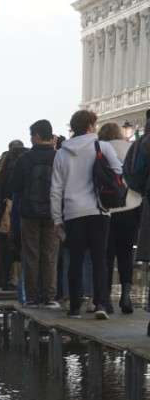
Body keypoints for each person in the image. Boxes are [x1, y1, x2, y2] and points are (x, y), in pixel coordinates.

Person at [52, 109, 121, 319]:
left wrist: (56, 219)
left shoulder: (62, 153)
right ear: (90, 126)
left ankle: (74, 307)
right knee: (99, 259)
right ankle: (100, 304)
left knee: (75, 260)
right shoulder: (102, 146)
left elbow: (56, 189)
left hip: (73, 212)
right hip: (98, 210)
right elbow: (118, 171)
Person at [10, 120, 61, 308]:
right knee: (50, 255)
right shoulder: (58, 157)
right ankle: (49, 296)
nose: (30, 139)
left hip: (29, 212)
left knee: (31, 254)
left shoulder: (25, 159)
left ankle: (32, 297)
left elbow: (15, 186)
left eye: (32, 135)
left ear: (37, 136)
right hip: (53, 213)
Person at [99, 122, 142, 314]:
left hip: (106, 207)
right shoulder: (132, 149)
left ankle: (106, 298)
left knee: (106, 254)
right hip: (131, 206)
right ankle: (126, 295)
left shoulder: (100, 150)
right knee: (126, 253)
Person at [0, 142, 25, 292]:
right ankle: (16, 280)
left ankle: (3, 279)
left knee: (3, 248)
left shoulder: (0, 173)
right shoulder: (20, 169)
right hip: (17, 213)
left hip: (2, 216)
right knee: (17, 248)